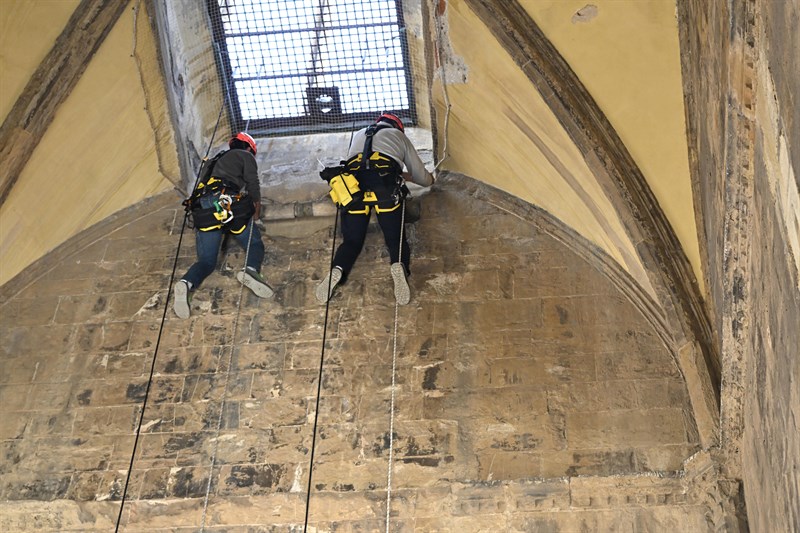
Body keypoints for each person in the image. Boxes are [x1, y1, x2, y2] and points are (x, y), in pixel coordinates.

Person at [316, 113, 434, 306]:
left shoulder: (360, 134)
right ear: (397, 127)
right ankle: (398, 265)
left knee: (351, 241)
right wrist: (429, 180)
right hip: (384, 189)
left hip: (353, 191)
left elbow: (364, 164)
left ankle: (337, 269)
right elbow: (421, 176)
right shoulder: (398, 136)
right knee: (395, 238)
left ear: (379, 122)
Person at [174, 132, 274, 319]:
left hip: (203, 211)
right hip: (226, 200)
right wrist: (256, 213)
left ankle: (186, 283)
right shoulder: (245, 156)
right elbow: (253, 184)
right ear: (248, 148)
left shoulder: (212, 162)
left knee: (206, 262)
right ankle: (250, 270)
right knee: (254, 243)